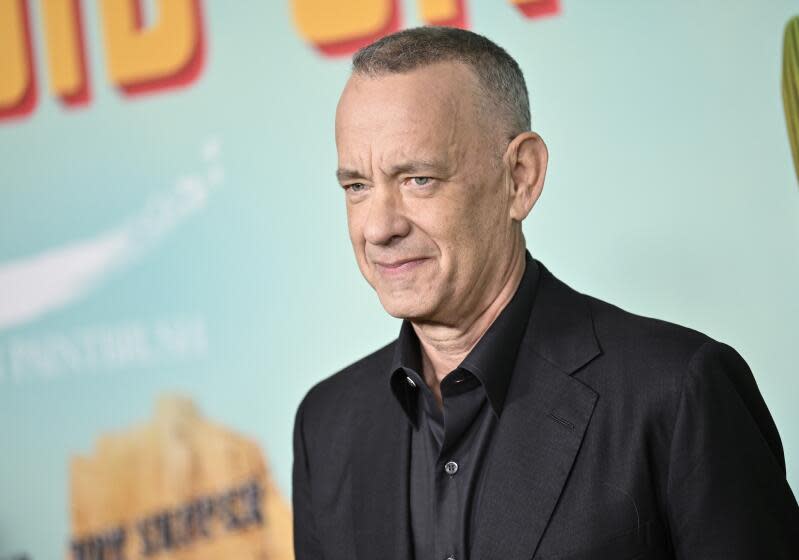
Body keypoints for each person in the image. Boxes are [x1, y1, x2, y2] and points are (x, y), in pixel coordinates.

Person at [292, 26, 799, 560]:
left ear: (520, 177)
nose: (378, 227)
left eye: (418, 178)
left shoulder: (676, 392)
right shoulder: (325, 425)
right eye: (357, 186)